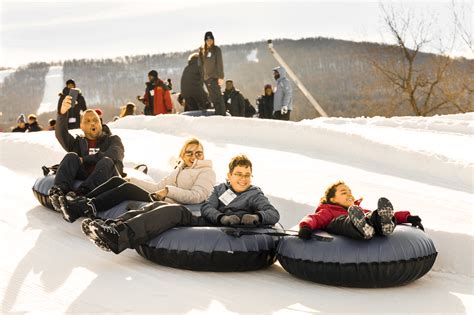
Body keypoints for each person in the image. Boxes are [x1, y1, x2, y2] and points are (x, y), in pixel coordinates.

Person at [81, 154, 280, 254]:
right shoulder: (221, 189)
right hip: (208, 221)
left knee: (173, 211)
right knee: (161, 207)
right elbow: (207, 207)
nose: (243, 179)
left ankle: (119, 239)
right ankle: (114, 227)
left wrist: (256, 217)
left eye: (247, 175)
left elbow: (273, 214)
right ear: (230, 175)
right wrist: (221, 216)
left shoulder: (254, 194)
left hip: (221, 230)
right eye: (239, 174)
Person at [58, 138, 216, 223]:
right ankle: (82, 201)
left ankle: (86, 208)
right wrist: (131, 180)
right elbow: (157, 186)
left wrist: (169, 191)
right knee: (118, 182)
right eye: (189, 153)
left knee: (126, 190)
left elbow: (197, 195)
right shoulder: (180, 169)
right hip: (161, 198)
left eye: (198, 153)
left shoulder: (207, 171)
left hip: (173, 207)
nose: (194, 156)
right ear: (182, 155)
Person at [48, 95, 125, 210]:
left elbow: (114, 155)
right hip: (84, 174)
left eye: (95, 120)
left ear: (100, 123)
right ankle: (58, 193)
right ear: (81, 126)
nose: (92, 123)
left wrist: (85, 159)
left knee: (106, 161)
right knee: (71, 156)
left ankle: (81, 195)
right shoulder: (78, 143)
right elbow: (61, 135)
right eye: (88, 121)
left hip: (107, 176)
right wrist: (62, 113)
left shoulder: (113, 140)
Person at [298, 181, 424, 240]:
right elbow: (314, 218)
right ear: (332, 199)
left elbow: (387, 212)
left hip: (360, 218)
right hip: (344, 224)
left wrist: (407, 217)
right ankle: (361, 226)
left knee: (372, 215)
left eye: (350, 192)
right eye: (343, 192)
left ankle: (383, 225)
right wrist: (305, 227)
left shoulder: (358, 209)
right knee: (342, 221)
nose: (350, 195)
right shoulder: (328, 211)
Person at [199, 31, 226, 116]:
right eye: (207, 39)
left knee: (218, 97)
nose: (209, 41)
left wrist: (221, 77)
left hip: (214, 77)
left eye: (211, 39)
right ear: (205, 41)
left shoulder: (216, 50)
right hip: (207, 79)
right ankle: (218, 114)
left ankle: (222, 114)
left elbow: (219, 63)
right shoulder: (203, 51)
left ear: (213, 40)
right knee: (213, 98)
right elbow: (201, 65)